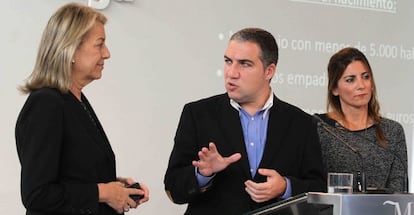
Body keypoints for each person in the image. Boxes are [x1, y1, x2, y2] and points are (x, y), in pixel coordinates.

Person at [164, 27, 326, 214]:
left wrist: (285, 187)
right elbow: (173, 189)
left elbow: (319, 188)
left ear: (269, 71)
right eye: (228, 61)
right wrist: (202, 175)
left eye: (244, 64)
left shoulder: (301, 123)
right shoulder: (197, 114)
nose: (231, 73)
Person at [15, 3, 149, 215]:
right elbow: (37, 194)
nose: (107, 54)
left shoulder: (75, 101)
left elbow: (73, 176)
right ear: (71, 49)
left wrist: (116, 188)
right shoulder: (46, 104)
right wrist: (103, 192)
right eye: (99, 44)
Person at [315, 47, 408, 193]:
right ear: (334, 89)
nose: (361, 85)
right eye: (350, 80)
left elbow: (398, 191)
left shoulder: (393, 131)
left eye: (365, 77)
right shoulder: (321, 128)